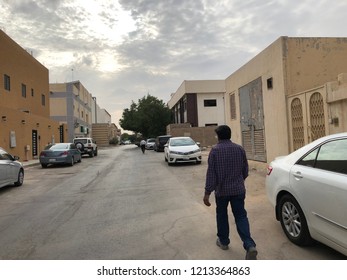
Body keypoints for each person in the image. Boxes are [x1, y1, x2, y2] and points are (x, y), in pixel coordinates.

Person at [203, 125, 257, 260]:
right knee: (240, 216)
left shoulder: (215, 151)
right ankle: (249, 245)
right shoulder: (239, 149)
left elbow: (211, 174)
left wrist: (207, 192)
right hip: (238, 190)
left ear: (219, 136)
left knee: (222, 215)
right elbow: (245, 170)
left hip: (222, 192)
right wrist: (239, 181)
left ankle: (224, 241)